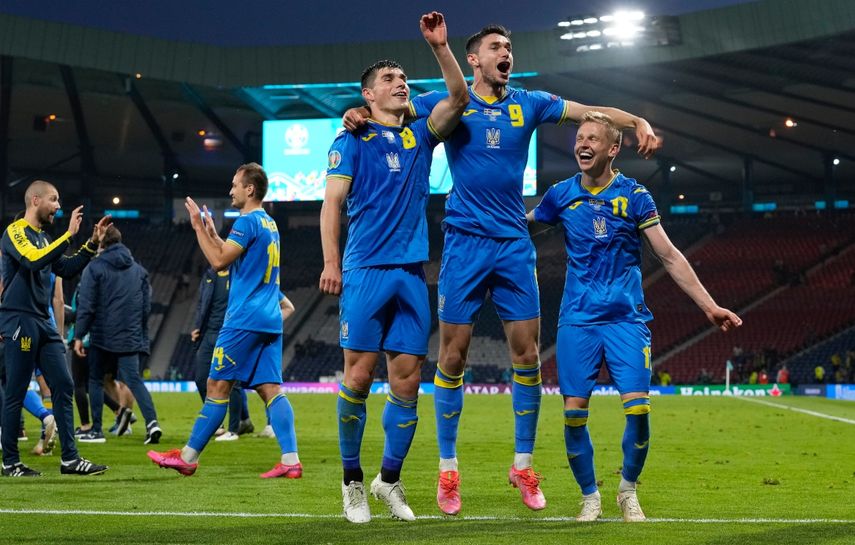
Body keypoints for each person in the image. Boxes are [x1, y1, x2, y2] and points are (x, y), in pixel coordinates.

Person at [344, 23, 661, 516]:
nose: (506, 53)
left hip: (514, 243)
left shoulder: (529, 102)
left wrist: (637, 119)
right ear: (474, 60)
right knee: (452, 356)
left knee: (527, 353)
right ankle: (448, 469)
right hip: (464, 243)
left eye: (509, 47)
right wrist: (356, 113)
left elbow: (589, 112)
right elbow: (386, 113)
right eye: (496, 47)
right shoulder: (443, 100)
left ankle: (523, 462)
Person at [527, 111, 742, 522]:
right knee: (573, 413)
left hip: (626, 320)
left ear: (613, 148)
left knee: (639, 411)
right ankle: (590, 495)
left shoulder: (635, 196)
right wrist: (479, 232)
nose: (582, 144)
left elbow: (669, 255)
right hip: (577, 321)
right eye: (579, 138)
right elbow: (524, 227)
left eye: (592, 138)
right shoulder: (560, 194)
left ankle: (627, 489)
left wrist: (709, 306)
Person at [320, 12, 468, 523]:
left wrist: (440, 47)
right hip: (364, 271)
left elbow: (460, 98)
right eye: (389, 79)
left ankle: (389, 479)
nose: (400, 83)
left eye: (403, 78)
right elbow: (332, 206)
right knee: (358, 378)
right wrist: (330, 262)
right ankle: (352, 484)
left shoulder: (421, 133)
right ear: (367, 97)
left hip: (411, 274)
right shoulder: (350, 140)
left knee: (407, 384)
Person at [147, 163, 301, 479]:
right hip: (269, 318)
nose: (230, 190)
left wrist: (197, 228)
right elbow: (231, 257)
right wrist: (214, 234)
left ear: (250, 189)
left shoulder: (246, 221)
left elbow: (218, 262)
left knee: (217, 386)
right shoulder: (269, 223)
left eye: (235, 185)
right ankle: (290, 459)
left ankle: (188, 457)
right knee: (271, 389)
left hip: (243, 318)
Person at [0, 180, 111, 476]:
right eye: (54, 199)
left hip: (43, 321)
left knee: (64, 384)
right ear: (35, 200)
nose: (59, 206)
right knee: (16, 390)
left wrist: (90, 245)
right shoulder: (15, 232)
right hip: (19, 319)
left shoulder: (43, 237)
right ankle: (10, 462)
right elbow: (33, 261)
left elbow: (65, 268)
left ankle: (70, 459)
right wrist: (68, 236)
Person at [73, 225, 162, 444]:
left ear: (102, 243)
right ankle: (152, 424)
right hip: (131, 335)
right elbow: (145, 307)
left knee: (94, 380)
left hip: (102, 335)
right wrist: (138, 332)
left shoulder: (94, 267)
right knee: (133, 380)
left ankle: (95, 430)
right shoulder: (139, 271)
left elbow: (87, 305)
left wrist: (79, 335)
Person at [191, 266, 253, 441]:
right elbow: (202, 304)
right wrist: (197, 326)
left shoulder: (240, 273)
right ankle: (217, 424)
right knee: (201, 379)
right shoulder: (209, 275)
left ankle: (234, 429)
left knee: (232, 382)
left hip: (231, 332)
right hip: (208, 334)